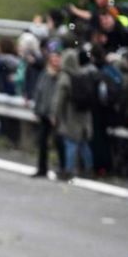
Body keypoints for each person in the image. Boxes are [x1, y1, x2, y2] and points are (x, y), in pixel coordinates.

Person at [52, 49, 94, 178]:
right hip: (85, 114)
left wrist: (55, 115)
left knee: (70, 142)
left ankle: (68, 170)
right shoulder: (82, 74)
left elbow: (59, 100)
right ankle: (88, 169)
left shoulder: (65, 77)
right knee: (83, 143)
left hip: (71, 114)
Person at [33, 49, 63, 178]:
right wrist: (37, 110)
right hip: (44, 113)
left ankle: (62, 168)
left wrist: (55, 113)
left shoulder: (62, 75)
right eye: (53, 58)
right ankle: (42, 168)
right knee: (42, 142)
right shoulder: (45, 74)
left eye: (57, 58)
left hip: (57, 115)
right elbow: (38, 91)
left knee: (59, 142)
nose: (55, 60)